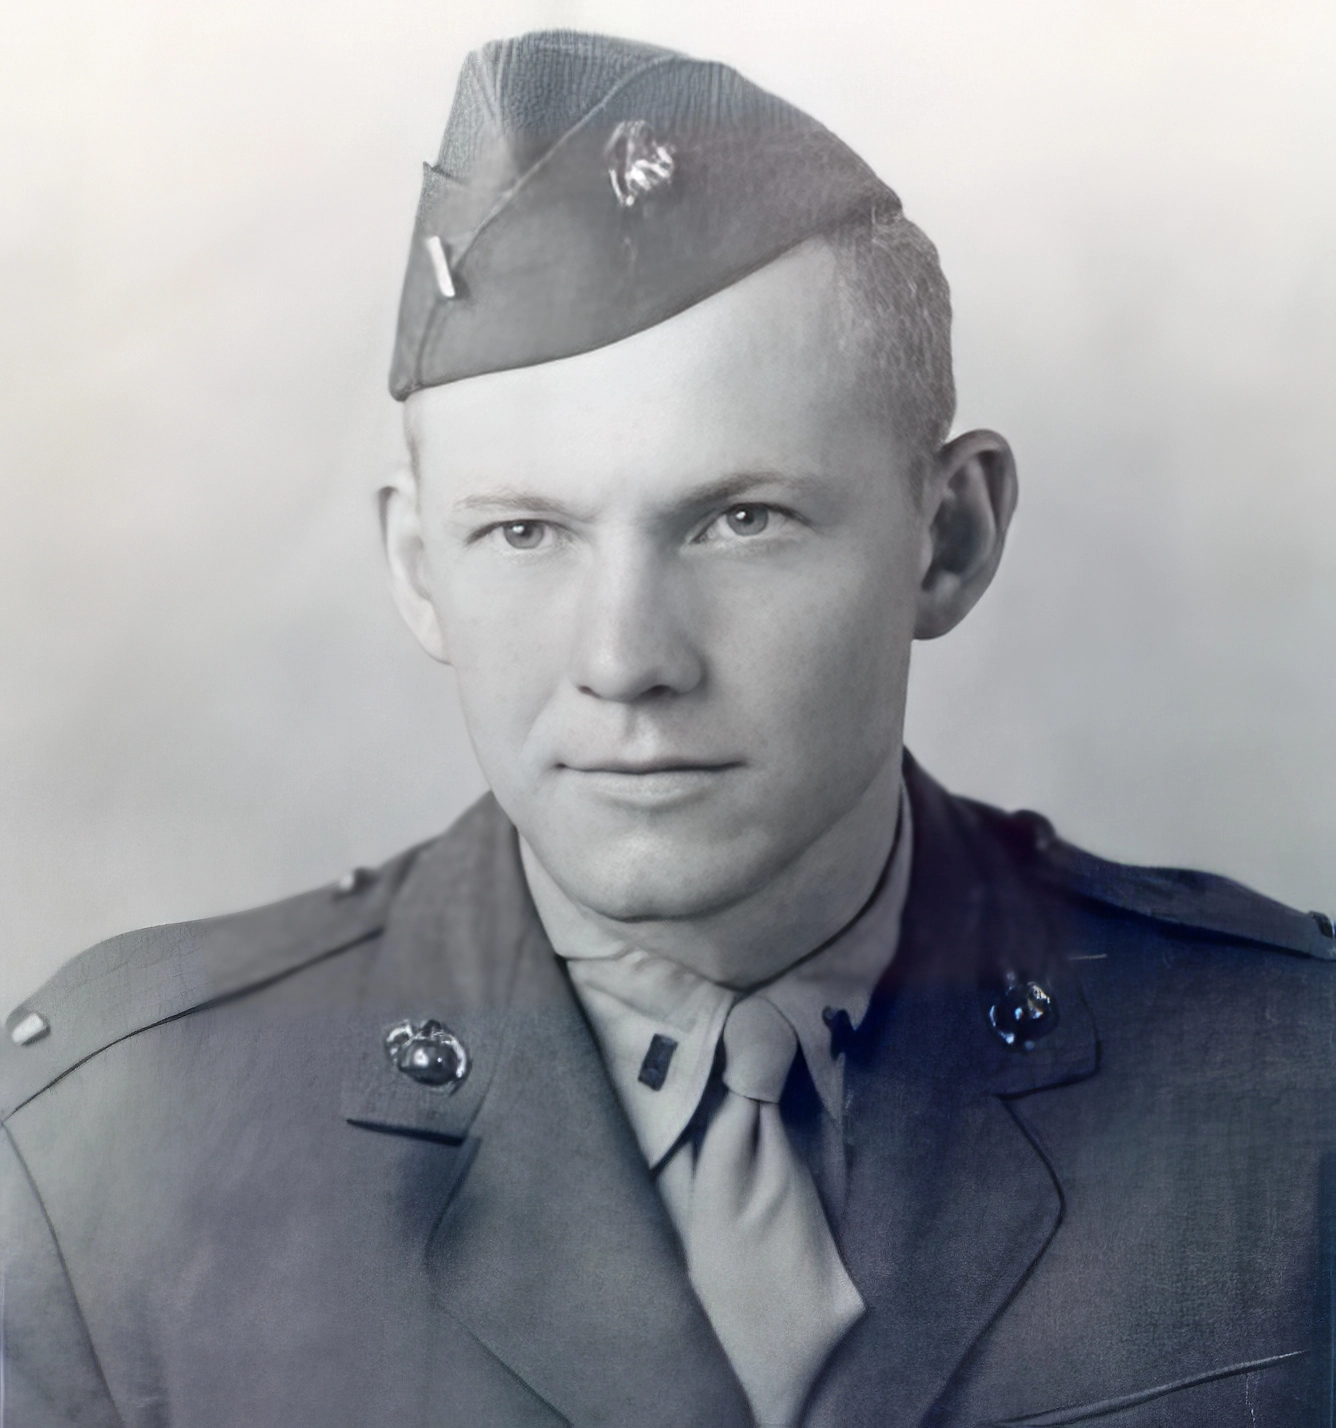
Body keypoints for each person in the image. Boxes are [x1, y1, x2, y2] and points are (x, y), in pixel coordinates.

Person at [2, 29, 1333, 1428]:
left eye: (739, 520)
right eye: (525, 532)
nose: (624, 660)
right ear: (416, 569)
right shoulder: (122, 1152)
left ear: (948, 536)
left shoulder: (1286, 1092)